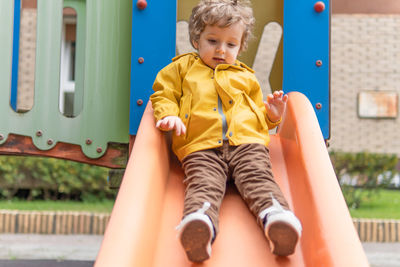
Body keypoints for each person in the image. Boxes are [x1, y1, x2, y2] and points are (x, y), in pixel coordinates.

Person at [150, 0, 302, 262]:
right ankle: (199, 226)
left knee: (258, 178)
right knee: (203, 184)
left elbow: (258, 117)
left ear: (240, 46)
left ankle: (277, 219)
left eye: (230, 44)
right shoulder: (182, 69)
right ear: (197, 39)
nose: (221, 50)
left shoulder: (246, 77)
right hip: (200, 146)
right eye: (212, 41)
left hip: (247, 143)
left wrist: (273, 115)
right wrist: (169, 116)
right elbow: (163, 95)